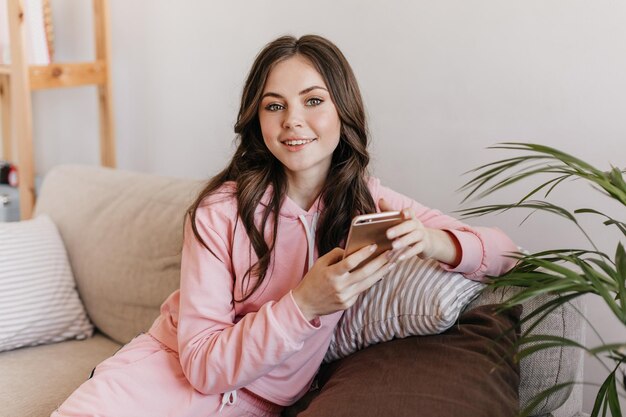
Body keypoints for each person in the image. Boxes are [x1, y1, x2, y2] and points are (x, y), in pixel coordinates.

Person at [52, 34, 518, 417]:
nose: (293, 121)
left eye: (313, 100)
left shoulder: (368, 202)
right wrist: (304, 303)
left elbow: (507, 254)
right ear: (257, 119)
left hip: (256, 404)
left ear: (343, 111)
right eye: (274, 106)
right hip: (155, 380)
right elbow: (201, 366)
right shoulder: (219, 212)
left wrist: (435, 241)